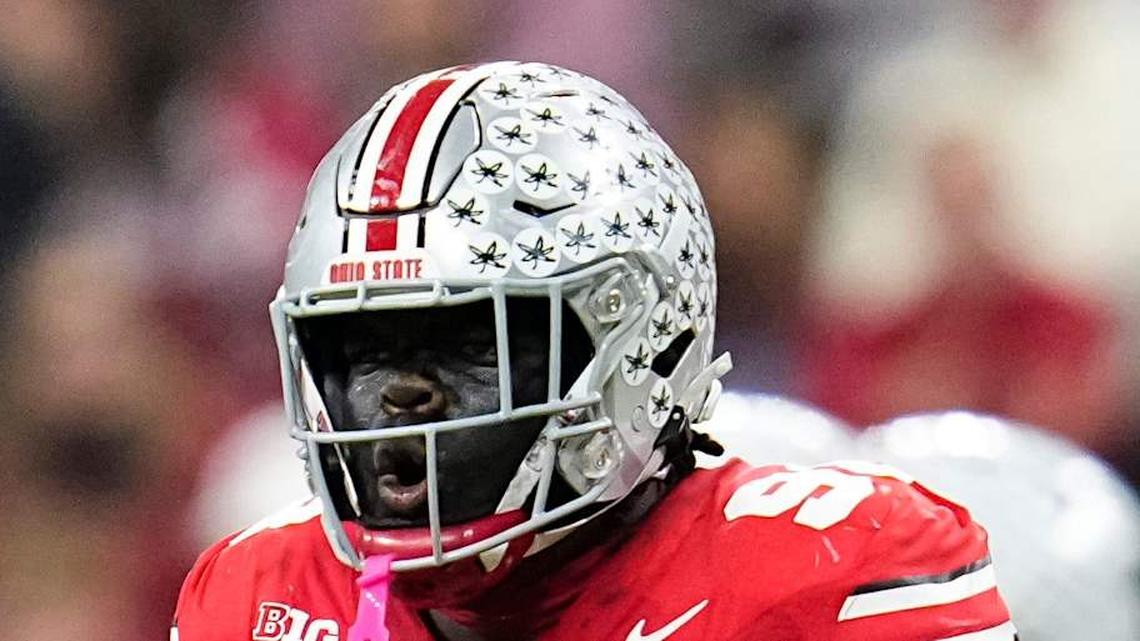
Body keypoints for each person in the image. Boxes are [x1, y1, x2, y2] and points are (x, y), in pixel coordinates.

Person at [173, 62, 1015, 641]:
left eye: (467, 339)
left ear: (643, 340)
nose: (399, 395)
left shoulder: (837, 573)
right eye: (359, 346)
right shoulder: (265, 596)